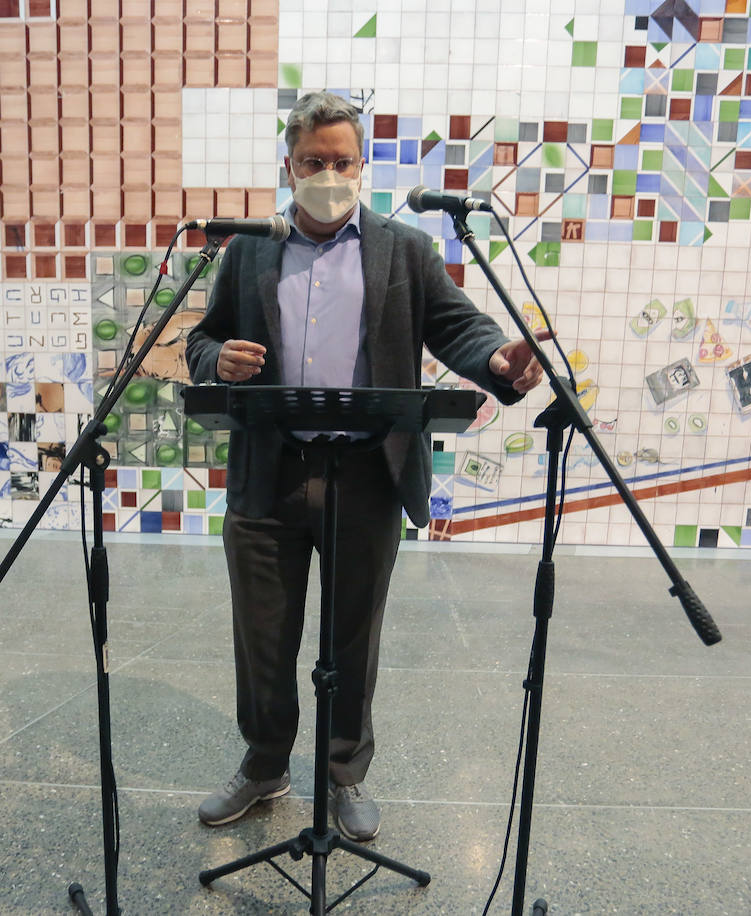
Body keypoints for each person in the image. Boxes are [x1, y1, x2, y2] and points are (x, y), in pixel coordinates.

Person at [185, 91, 550, 842]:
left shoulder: (403, 249)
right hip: (269, 473)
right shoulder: (251, 247)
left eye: (342, 161)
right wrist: (217, 357)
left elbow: (461, 328)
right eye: (313, 161)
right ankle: (264, 763)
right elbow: (200, 341)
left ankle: (344, 773)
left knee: (354, 634)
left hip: (368, 475)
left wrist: (499, 361)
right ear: (289, 165)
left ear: (364, 166)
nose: (328, 173)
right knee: (262, 633)